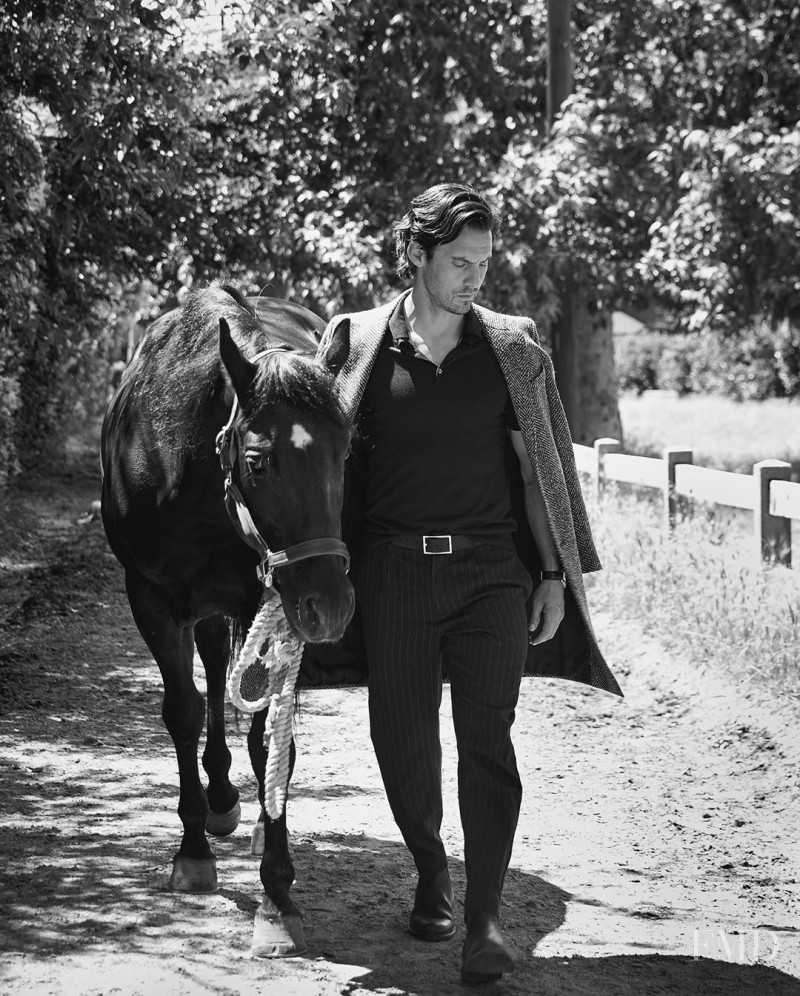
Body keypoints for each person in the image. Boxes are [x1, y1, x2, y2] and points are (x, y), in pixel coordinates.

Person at [316, 183, 621, 984]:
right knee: (402, 742)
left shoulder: (512, 349)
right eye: (459, 262)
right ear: (413, 255)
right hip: (392, 575)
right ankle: (429, 867)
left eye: (484, 262)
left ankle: (484, 920)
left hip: (491, 577)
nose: (475, 278)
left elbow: (536, 472)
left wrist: (552, 573)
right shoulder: (355, 341)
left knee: (489, 743)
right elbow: (314, 468)